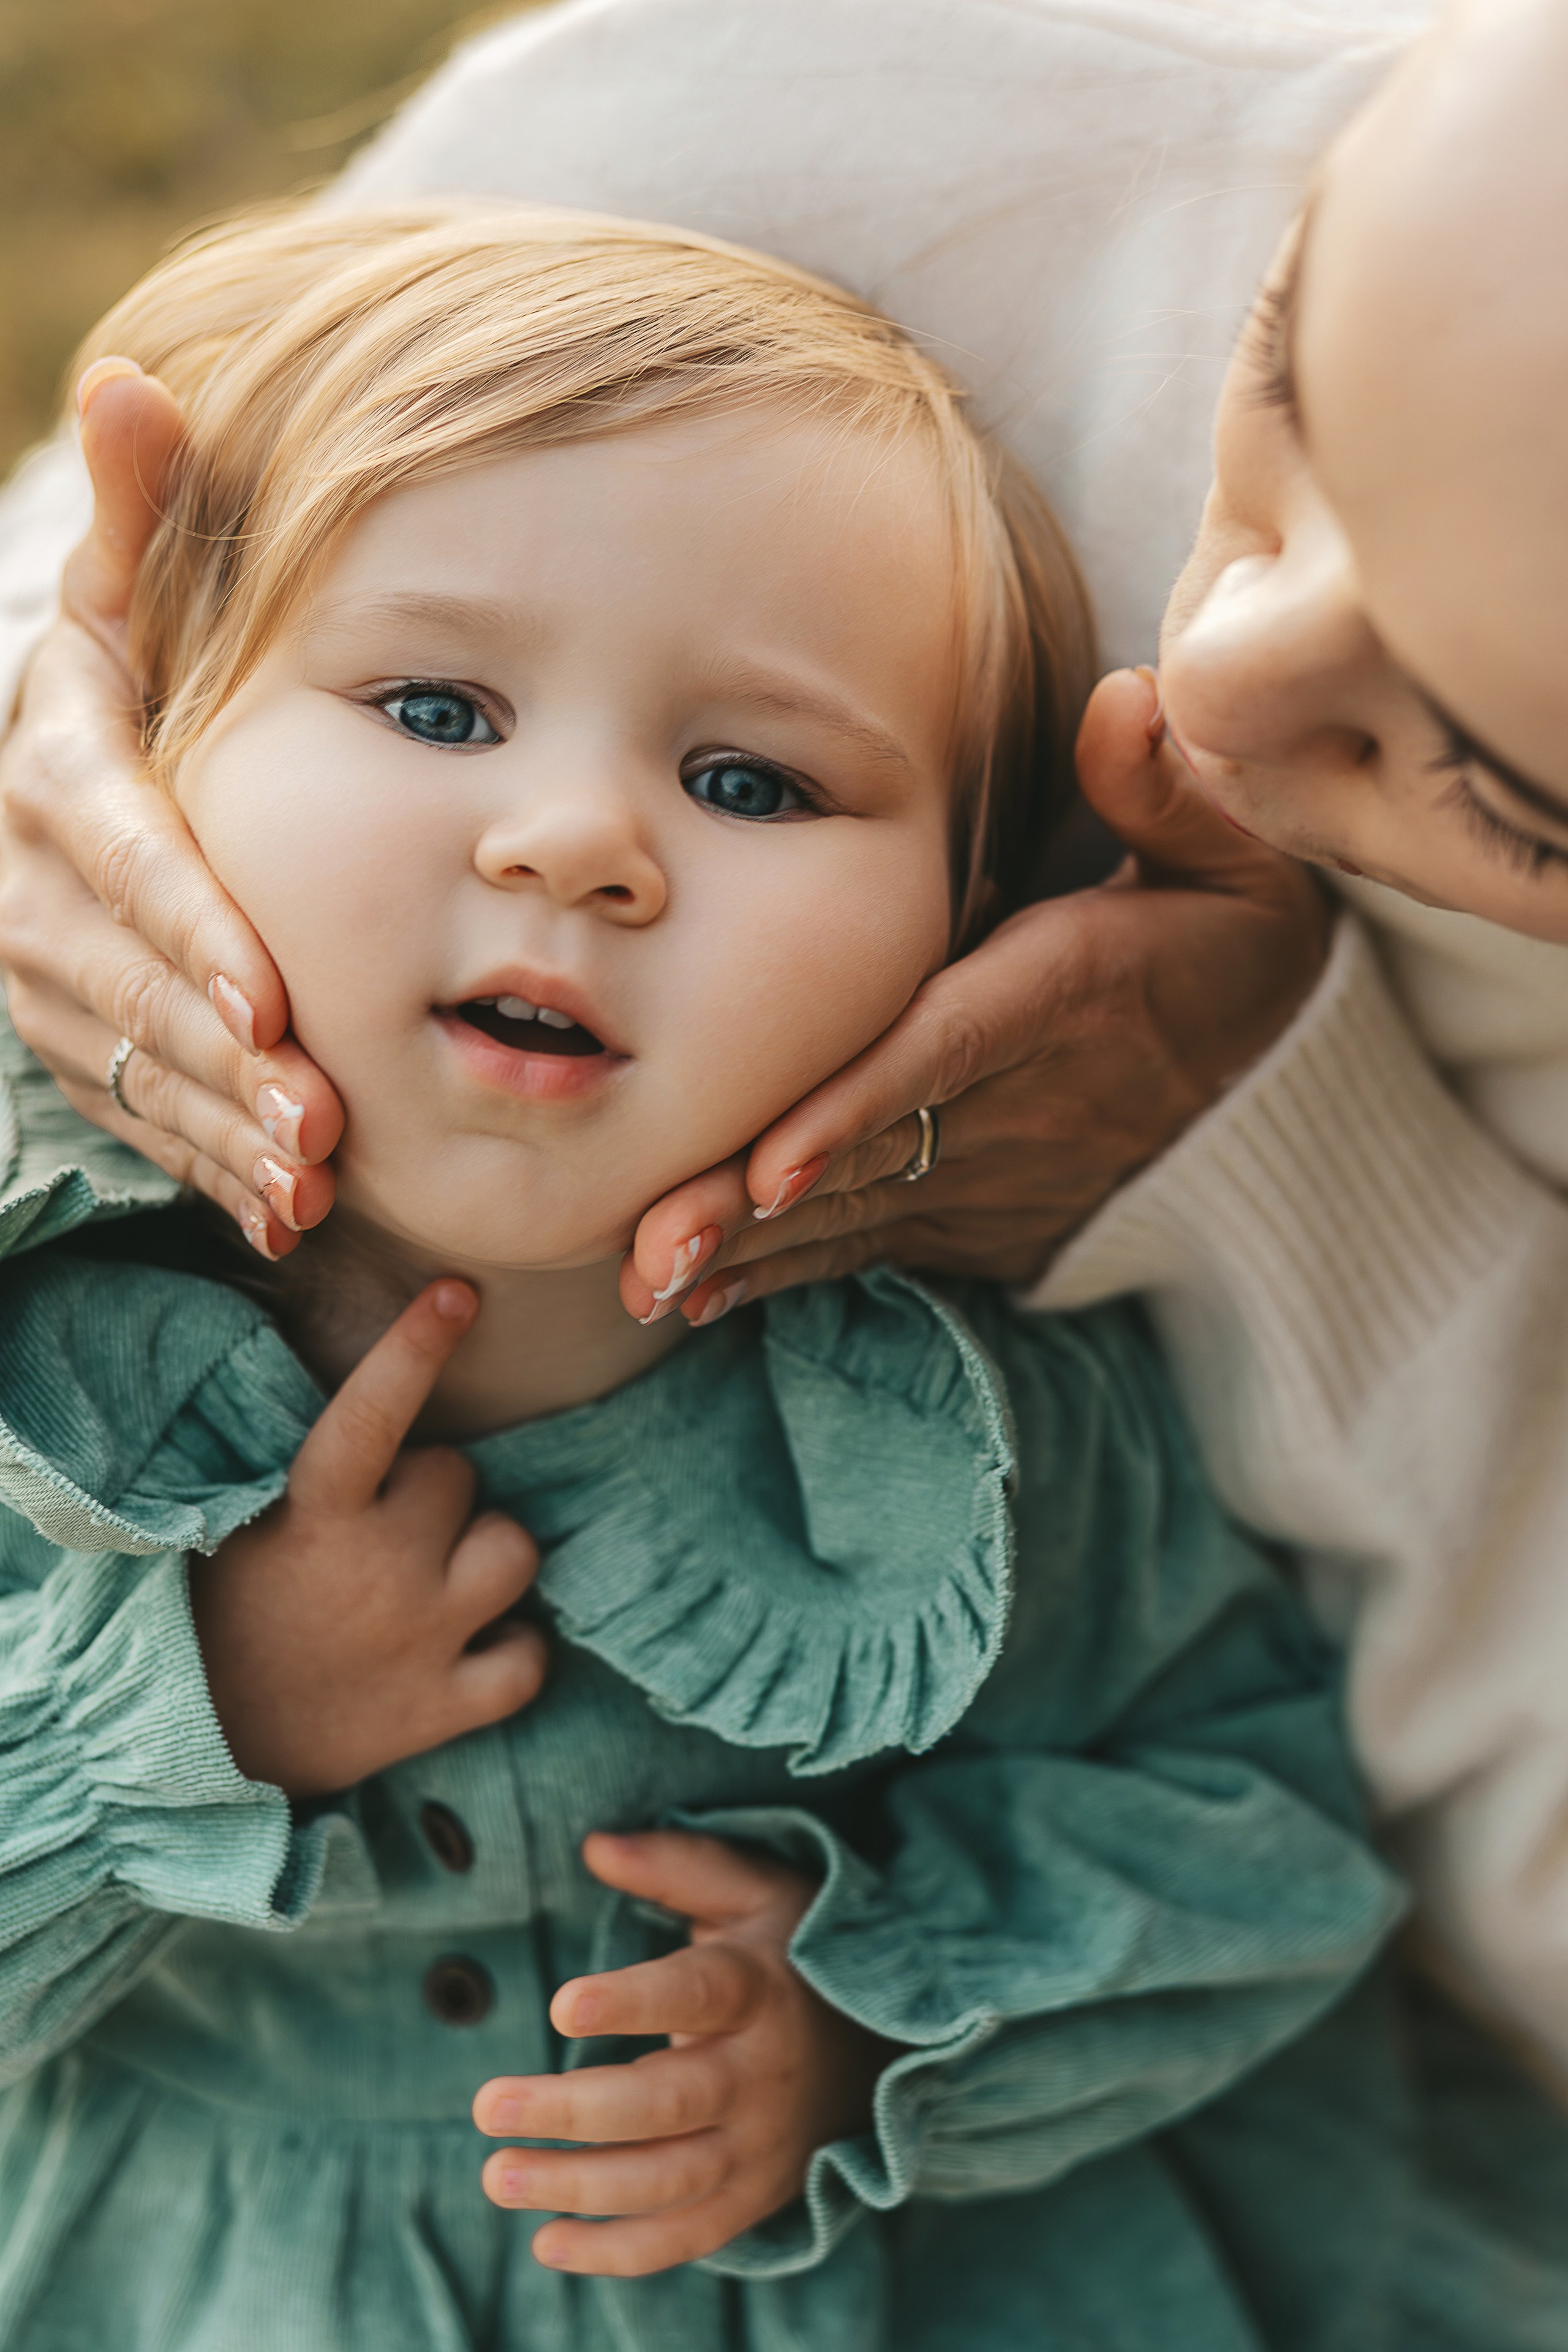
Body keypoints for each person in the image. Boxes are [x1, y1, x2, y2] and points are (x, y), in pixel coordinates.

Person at [6, 0, 1568, 2088]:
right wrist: (178, 1717)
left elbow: (1272, 1846)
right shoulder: (52, 1323)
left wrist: (873, 2021)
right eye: (442, 713)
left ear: (971, 922)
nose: (573, 841)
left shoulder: (980, 1462)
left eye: (753, 785)